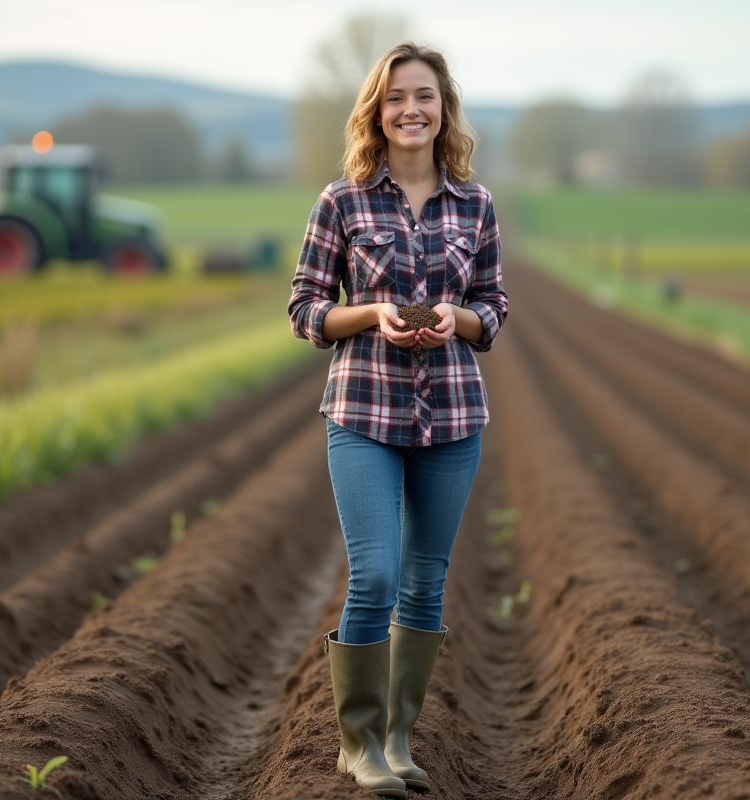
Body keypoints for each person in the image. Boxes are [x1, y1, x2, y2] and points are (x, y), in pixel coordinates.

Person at [288, 41, 507, 797]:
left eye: (425, 96)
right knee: (375, 573)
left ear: (444, 109)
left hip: (451, 414)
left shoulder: (473, 204)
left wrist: (456, 318)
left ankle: (398, 738)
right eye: (395, 98)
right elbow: (305, 311)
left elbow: (494, 307)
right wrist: (372, 314)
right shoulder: (341, 202)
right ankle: (358, 745)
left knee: (424, 583)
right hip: (363, 411)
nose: (411, 109)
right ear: (375, 113)